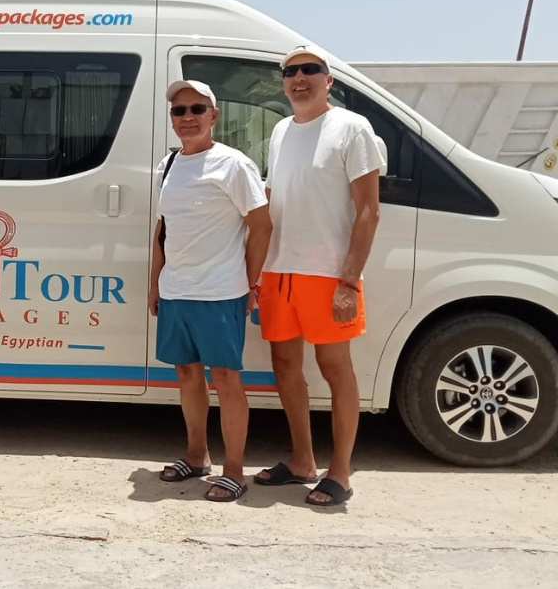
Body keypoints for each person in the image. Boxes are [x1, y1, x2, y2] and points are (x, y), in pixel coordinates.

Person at [254, 45, 386, 506]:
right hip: (279, 270)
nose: (299, 78)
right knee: (285, 366)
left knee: (335, 369)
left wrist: (348, 281)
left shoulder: (352, 127)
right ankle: (302, 461)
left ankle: (341, 473)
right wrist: (255, 269)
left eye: (310, 69)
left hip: (328, 275)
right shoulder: (280, 130)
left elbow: (369, 211)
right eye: (290, 71)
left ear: (328, 80)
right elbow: (272, 198)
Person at [150, 79, 272, 502]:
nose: (187, 117)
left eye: (196, 109)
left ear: (214, 115)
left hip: (220, 292)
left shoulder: (234, 165)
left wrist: (251, 284)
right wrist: (155, 283)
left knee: (225, 378)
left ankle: (234, 471)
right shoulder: (169, 165)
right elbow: (163, 230)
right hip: (176, 290)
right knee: (187, 373)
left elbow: (261, 226)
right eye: (179, 110)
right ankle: (196, 455)